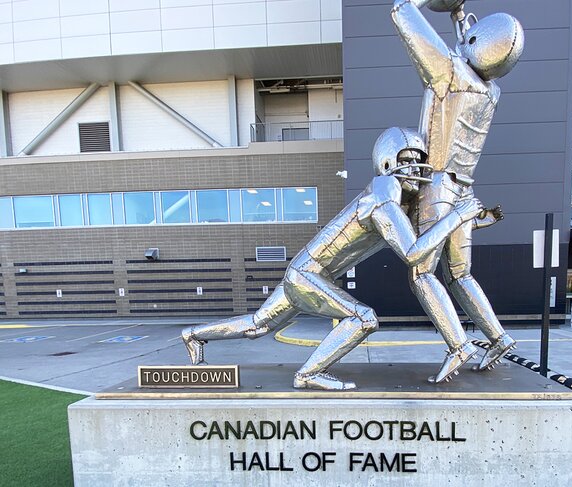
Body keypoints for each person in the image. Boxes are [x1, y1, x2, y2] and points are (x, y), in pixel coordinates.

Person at [181, 127, 486, 390]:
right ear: (387, 162)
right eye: (407, 160)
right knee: (363, 318)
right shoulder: (382, 196)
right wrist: (458, 215)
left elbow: (425, 233)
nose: (416, 167)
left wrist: (467, 221)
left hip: (306, 273)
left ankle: (193, 334)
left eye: (419, 160)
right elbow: (411, 253)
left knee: (257, 325)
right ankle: (309, 373)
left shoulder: (393, 200)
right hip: (308, 275)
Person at [391, 0, 524, 374]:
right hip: (466, 190)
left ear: (477, 41)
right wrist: (456, 18)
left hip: (436, 186)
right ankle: (498, 337)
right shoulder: (491, 92)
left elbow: (402, 13)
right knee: (461, 274)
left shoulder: (450, 74)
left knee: (421, 272)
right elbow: (471, 52)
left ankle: (459, 344)